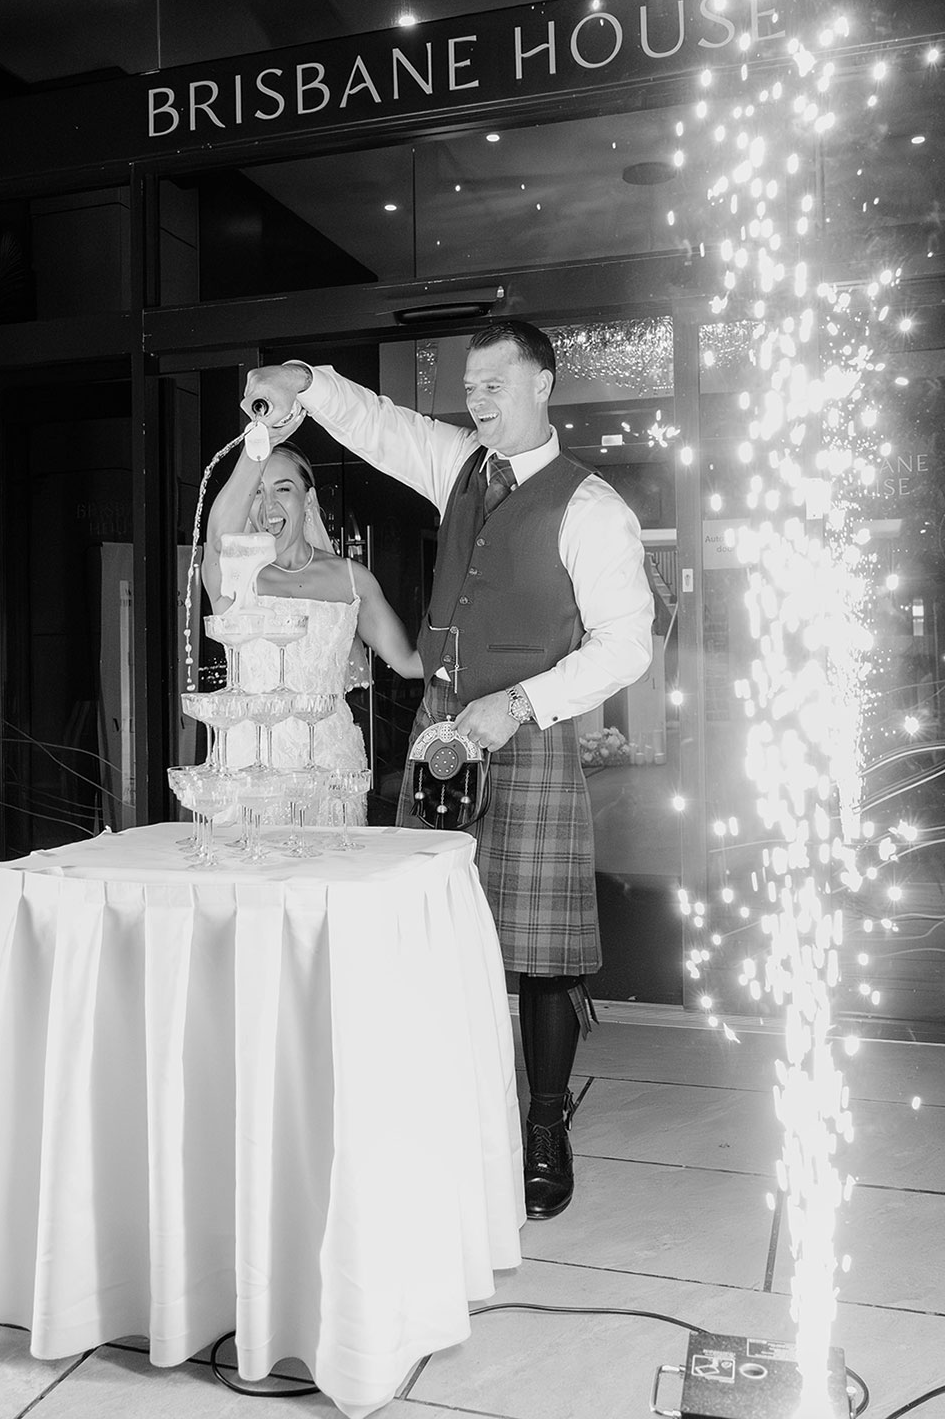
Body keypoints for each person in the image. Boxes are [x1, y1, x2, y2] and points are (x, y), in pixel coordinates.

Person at [241, 321, 653, 1220]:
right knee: (424, 925)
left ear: (544, 383)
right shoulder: (459, 464)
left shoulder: (592, 507)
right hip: (440, 730)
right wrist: (303, 377)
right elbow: (378, 423)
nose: (478, 401)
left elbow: (626, 646)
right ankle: (436, 1114)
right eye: (471, 387)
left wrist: (520, 705)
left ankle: (544, 1127)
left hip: (530, 733)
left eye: (496, 385)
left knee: (541, 952)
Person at [203, 435, 422, 804]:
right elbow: (219, 539)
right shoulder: (235, 575)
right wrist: (261, 437)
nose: (268, 506)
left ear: (308, 499)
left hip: (331, 763)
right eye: (256, 492)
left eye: (283, 489)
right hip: (248, 766)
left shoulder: (351, 578)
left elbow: (410, 662)